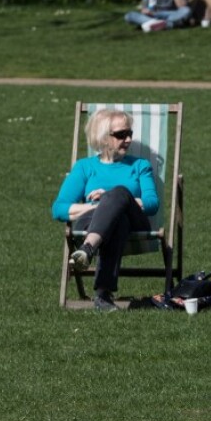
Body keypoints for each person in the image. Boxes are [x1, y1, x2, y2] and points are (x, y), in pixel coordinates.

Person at [52, 109, 160, 312]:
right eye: (121, 135)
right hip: (100, 222)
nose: (127, 139)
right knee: (117, 221)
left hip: (136, 221)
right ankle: (103, 295)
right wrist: (100, 206)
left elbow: (152, 204)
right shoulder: (84, 167)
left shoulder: (139, 166)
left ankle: (87, 249)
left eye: (130, 134)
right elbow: (59, 208)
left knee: (118, 193)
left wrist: (112, 197)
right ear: (103, 137)